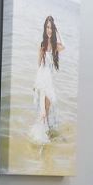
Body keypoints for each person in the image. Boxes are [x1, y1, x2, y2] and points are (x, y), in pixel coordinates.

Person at [30, 15, 65, 143]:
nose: (49, 30)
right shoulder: (43, 46)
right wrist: (36, 84)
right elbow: (39, 66)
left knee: (48, 112)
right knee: (43, 112)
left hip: (50, 83)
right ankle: (41, 139)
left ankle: (47, 135)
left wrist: (58, 32)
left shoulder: (55, 46)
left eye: (51, 28)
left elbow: (64, 46)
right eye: (47, 27)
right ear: (45, 29)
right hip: (44, 83)